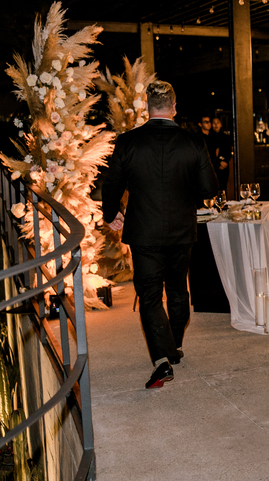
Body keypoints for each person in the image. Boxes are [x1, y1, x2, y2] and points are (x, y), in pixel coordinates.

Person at [102, 81, 218, 389]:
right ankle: (175, 347)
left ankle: (163, 359)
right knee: (178, 289)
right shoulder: (193, 142)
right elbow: (209, 188)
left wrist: (111, 213)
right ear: (174, 107)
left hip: (144, 232)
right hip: (182, 230)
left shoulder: (128, 142)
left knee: (150, 295)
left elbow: (111, 184)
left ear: (147, 107)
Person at [211, 117, 232, 188]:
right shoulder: (209, 138)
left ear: (221, 125)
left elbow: (229, 151)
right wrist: (218, 162)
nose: (216, 125)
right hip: (213, 165)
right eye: (214, 123)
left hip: (225, 165)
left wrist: (225, 161)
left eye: (218, 123)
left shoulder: (226, 137)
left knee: (223, 186)